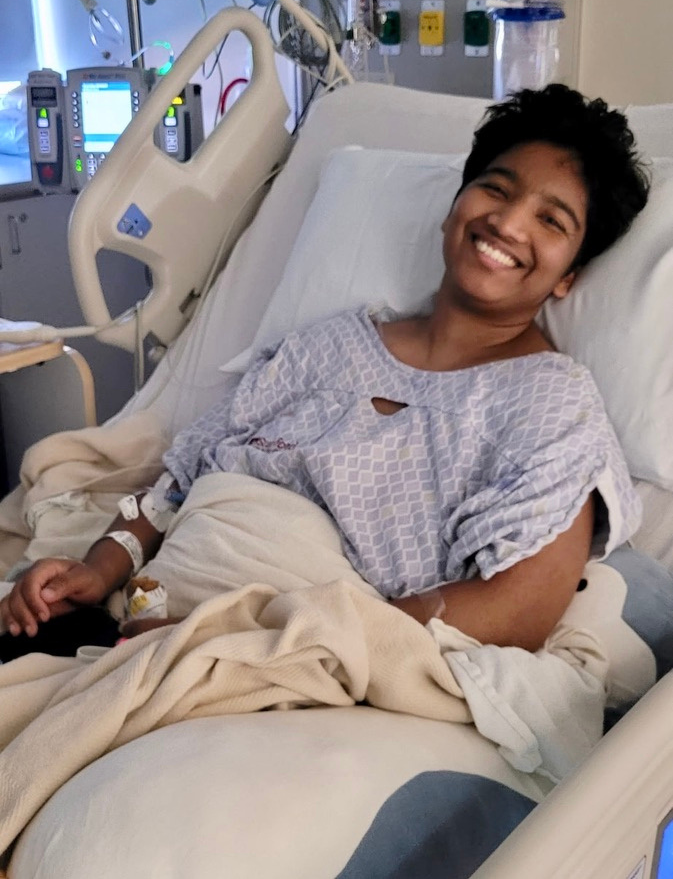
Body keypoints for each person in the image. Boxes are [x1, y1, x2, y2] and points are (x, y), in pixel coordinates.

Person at [0, 84, 650, 653]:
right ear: (455, 207)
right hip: (141, 619)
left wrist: (267, 642)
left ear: (569, 276)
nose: (507, 222)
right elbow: (181, 479)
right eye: (494, 189)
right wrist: (100, 566)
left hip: (289, 650)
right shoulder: (327, 346)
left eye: (549, 220)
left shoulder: (552, 407)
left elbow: (517, 610)